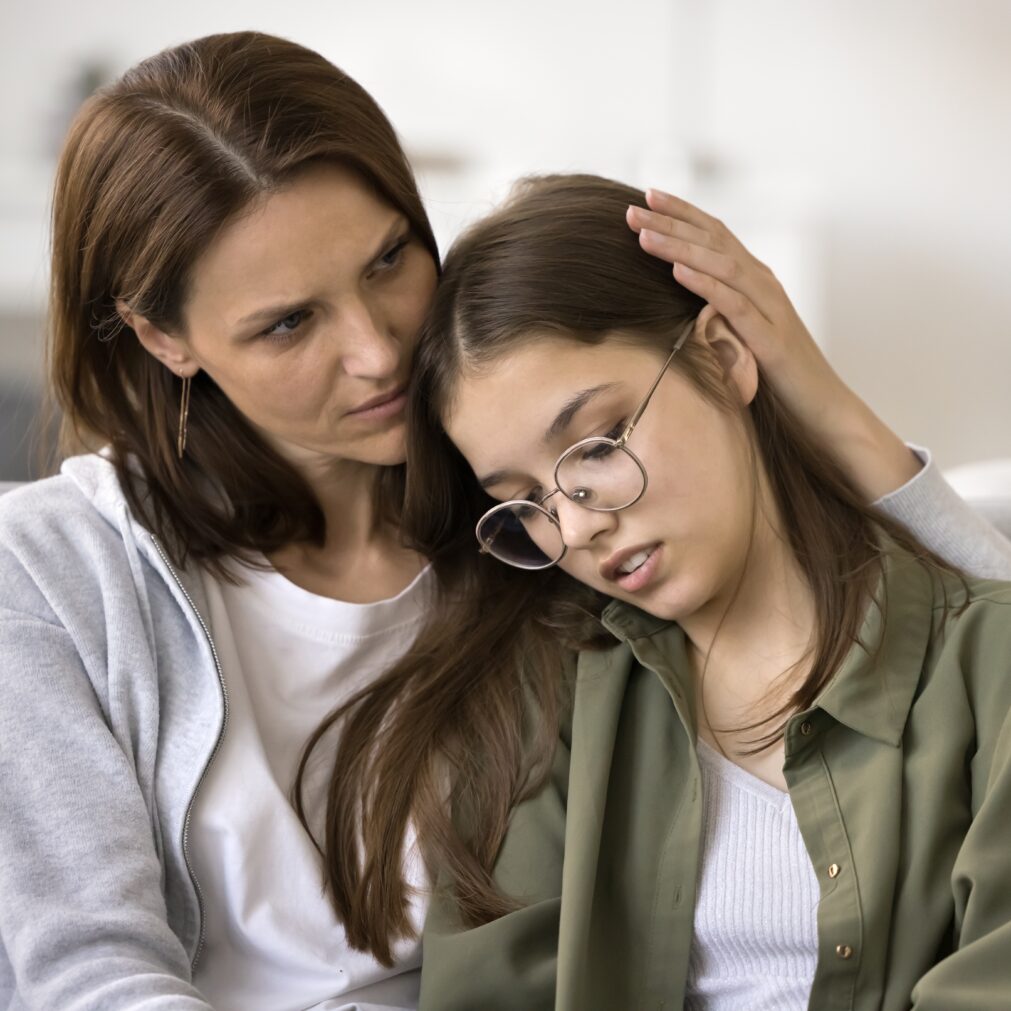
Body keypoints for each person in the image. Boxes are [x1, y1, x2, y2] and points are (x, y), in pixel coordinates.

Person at [0, 28, 1006, 1011]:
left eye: (388, 260)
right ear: (163, 337)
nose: (380, 351)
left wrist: (819, 398)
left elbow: (974, 643)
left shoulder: (533, 548)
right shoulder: (58, 571)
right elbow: (87, 969)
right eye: (290, 324)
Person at [388, 174, 1011, 1010]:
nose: (573, 531)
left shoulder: (981, 667)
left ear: (721, 357)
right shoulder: (536, 701)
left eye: (597, 445)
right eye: (524, 501)